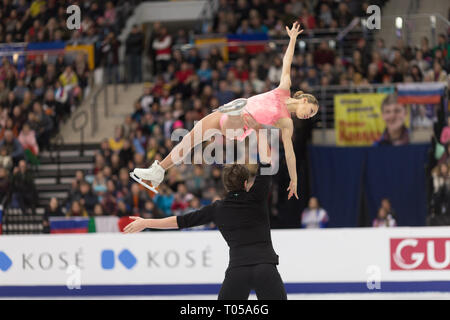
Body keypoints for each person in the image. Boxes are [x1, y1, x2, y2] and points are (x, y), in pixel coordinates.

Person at [132, 22, 319, 200]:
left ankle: (235, 110)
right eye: (310, 110)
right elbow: (287, 61)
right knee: (188, 141)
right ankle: (158, 171)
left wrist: (294, 179)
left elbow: (289, 153)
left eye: (311, 115)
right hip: (225, 114)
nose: (307, 115)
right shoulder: (284, 87)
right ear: (303, 99)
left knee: (239, 114)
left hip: (239, 126)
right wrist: (293, 38)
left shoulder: (287, 122)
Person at [124, 138, 287, 300]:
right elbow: (266, 162)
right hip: (265, 267)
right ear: (245, 183)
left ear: (226, 185)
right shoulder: (257, 196)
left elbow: (180, 221)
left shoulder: (217, 209)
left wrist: (146, 222)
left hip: (238, 270)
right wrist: (259, 131)